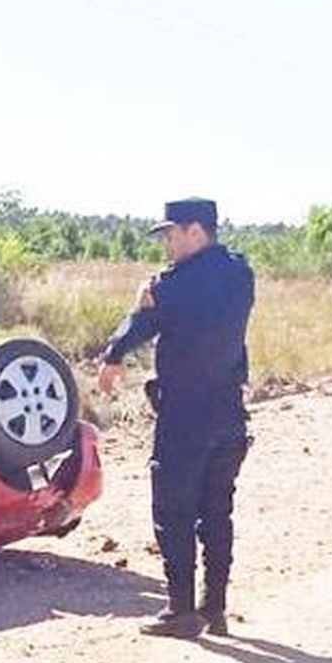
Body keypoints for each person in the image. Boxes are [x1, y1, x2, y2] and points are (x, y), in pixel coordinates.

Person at [97, 197, 254, 639]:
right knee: (217, 511)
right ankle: (215, 608)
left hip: (185, 414)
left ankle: (182, 611)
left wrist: (113, 354)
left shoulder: (176, 286)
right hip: (228, 411)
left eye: (171, 233)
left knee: (175, 509)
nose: (166, 243)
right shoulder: (241, 275)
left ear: (195, 232)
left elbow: (144, 323)